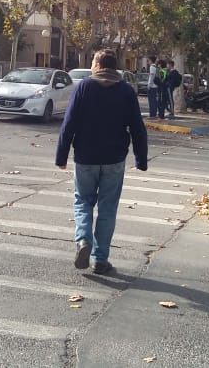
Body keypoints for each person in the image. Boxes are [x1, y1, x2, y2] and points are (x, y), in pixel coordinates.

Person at [56, 49, 147, 275]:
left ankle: (83, 240)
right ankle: (100, 259)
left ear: (97, 65)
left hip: (85, 157)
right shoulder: (126, 90)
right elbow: (137, 127)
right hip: (114, 159)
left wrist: (61, 156)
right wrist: (141, 159)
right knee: (107, 209)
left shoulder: (84, 87)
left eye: (92, 63)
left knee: (83, 201)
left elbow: (69, 123)